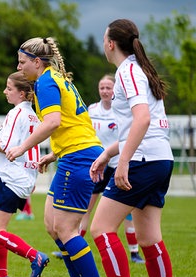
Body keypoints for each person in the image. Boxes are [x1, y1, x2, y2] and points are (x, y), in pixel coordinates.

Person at [90, 19, 181, 277]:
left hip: (143, 160)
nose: (104, 43)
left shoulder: (126, 70)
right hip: (161, 159)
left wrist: (124, 161)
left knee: (101, 228)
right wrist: (107, 154)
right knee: (149, 237)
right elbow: (142, 125)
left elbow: (141, 120)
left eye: (104, 38)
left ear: (111, 44)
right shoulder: (141, 69)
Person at [6, 37, 109, 277]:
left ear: (37, 62)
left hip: (80, 156)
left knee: (66, 228)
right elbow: (73, 125)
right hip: (73, 154)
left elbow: (53, 122)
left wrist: (22, 147)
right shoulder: (54, 79)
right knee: (53, 225)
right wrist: (53, 154)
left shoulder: (46, 82)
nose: (19, 67)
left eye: (22, 62)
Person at [53, 75, 145, 264]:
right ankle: (73, 246)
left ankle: (134, 253)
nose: (105, 91)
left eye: (108, 87)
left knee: (128, 212)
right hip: (96, 164)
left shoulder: (122, 111)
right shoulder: (92, 109)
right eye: (102, 87)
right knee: (85, 208)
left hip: (118, 164)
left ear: (115, 89)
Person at [0, 71, 49, 277]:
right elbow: (31, 148)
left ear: (23, 94)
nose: (5, 91)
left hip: (10, 176)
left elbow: (6, 147)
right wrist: (30, 177)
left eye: (9, 88)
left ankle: (34, 256)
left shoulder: (16, 113)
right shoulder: (33, 115)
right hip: (21, 177)